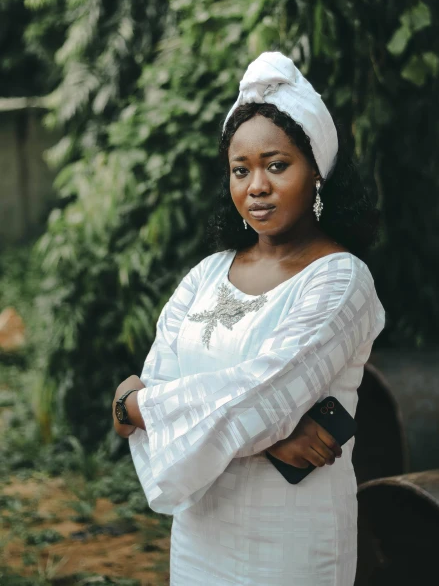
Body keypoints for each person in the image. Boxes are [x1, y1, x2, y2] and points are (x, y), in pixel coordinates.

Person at [112, 51, 385, 586]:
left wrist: (133, 402)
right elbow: (248, 407)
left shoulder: (341, 280)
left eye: (277, 165)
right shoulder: (207, 275)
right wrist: (268, 434)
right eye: (241, 170)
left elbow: (259, 395)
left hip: (289, 540)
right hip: (199, 533)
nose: (256, 186)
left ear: (318, 173)